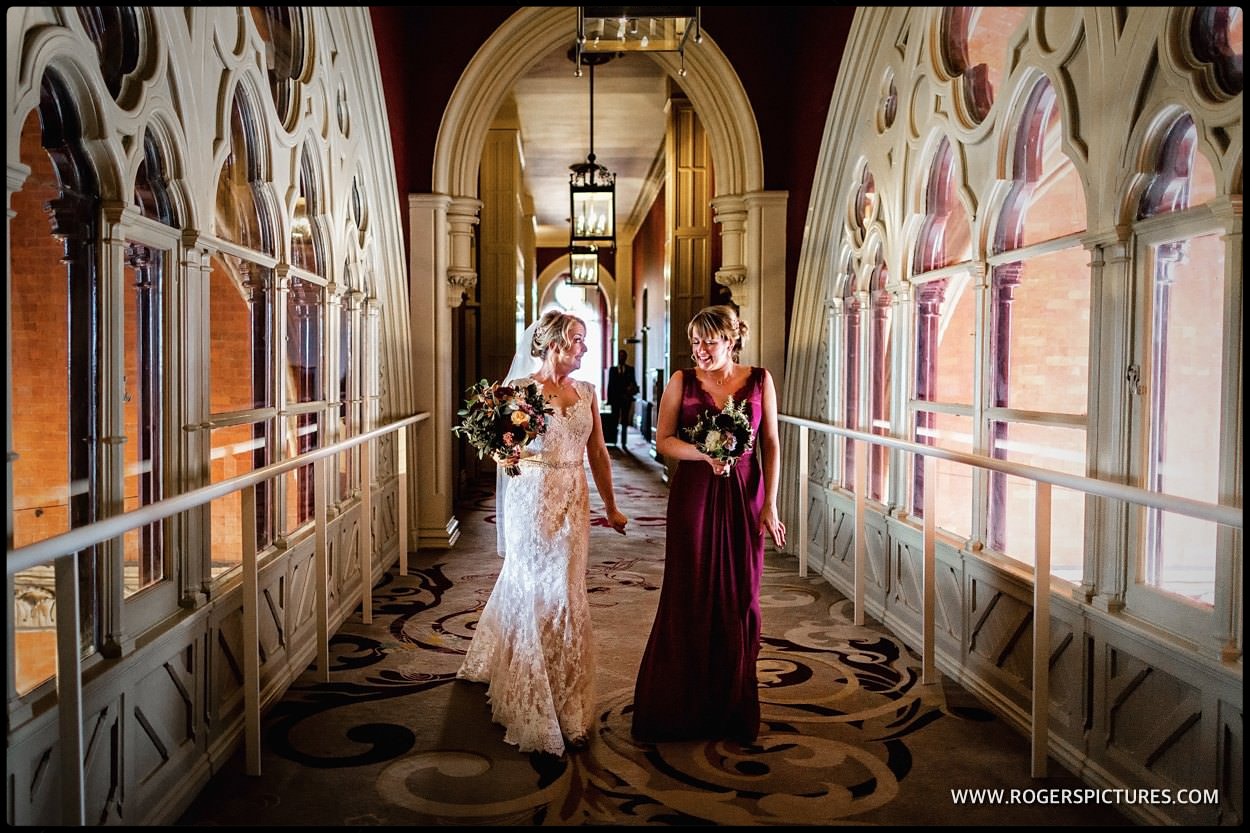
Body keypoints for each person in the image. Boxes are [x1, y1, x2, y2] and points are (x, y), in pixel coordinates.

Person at [457, 309, 629, 757]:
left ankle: (566, 691)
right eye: (576, 339)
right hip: (531, 500)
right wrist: (506, 456)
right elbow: (499, 449)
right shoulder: (519, 392)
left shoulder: (588, 392)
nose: (584, 348)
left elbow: (599, 454)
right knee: (533, 585)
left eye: (584, 340)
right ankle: (530, 683)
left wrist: (611, 506)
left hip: (574, 499)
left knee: (568, 590)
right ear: (552, 342)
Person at [631, 304, 786, 745]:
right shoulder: (682, 381)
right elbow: (663, 441)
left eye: (709, 341)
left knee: (741, 597)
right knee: (691, 592)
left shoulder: (760, 380)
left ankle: (732, 707)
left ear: (732, 339)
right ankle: (680, 707)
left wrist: (770, 504)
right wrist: (705, 455)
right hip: (695, 497)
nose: (699, 350)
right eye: (694, 342)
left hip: (745, 496)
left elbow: (770, 444)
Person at [605, 348, 639, 448]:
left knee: (624, 421)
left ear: (625, 358)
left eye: (623, 356)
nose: (621, 358)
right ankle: (614, 441)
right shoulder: (613, 370)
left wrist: (631, 390)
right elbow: (610, 386)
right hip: (615, 400)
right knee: (614, 421)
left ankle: (624, 443)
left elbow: (634, 383)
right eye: (620, 356)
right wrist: (609, 400)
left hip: (626, 399)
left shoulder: (630, 369)